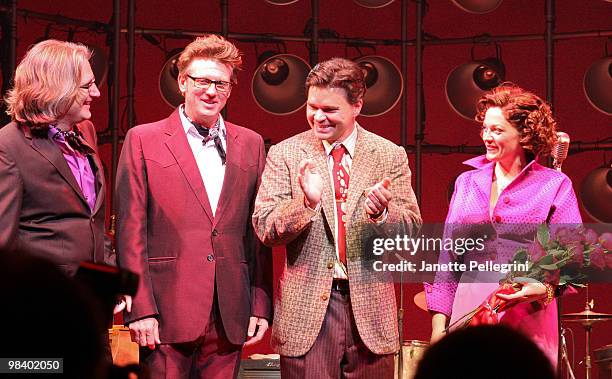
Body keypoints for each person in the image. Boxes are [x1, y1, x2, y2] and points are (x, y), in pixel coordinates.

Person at [253, 57, 422, 378]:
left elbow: (411, 234)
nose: (318, 116)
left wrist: (384, 213)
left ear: (357, 105)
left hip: (371, 313)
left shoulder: (388, 155)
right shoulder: (286, 154)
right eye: (312, 106)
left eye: (330, 110)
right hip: (309, 312)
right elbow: (265, 227)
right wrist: (306, 203)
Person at [116, 34, 272, 379]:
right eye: (202, 81)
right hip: (166, 311)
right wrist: (140, 307)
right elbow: (131, 231)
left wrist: (260, 303)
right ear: (182, 81)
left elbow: (256, 231)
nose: (211, 91)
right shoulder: (143, 139)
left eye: (221, 83)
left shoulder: (250, 143)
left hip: (229, 312)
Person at [424, 82, 582, 366]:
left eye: (497, 130)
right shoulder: (467, 183)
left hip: (527, 311)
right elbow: (447, 259)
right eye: (485, 128)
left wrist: (544, 290)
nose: (486, 136)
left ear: (525, 134)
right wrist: (438, 328)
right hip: (468, 308)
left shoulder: (554, 185)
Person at [0, 39, 112, 276]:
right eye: (87, 86)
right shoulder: (9, 145)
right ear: (57, 88)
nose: (97, 92)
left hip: (91, 300)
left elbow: (93, 223)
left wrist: (115, 282)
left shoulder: (85, 131)